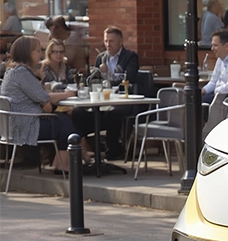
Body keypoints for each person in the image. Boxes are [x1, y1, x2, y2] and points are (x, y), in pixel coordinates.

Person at [1, 36, 79, 173]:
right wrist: (69, 94)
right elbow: (43, 96)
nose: (41, 54)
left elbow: (42, 100)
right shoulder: (21, 72)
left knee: (61, 118)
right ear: (27, 53)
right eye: (37, 51)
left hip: (15, 124)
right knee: (65, 121)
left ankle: (59, 163)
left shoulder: (13, 71)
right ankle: (62, 164)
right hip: (25, 127)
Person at [72, 26, 140, 160]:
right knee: (78, 112)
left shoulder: (130, 57)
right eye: (106, 41)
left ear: (121, 42)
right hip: (102, 99)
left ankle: (113, 148)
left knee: (112, 114)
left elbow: (129, 78)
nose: (108, 44)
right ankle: (91, 148)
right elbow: (94, 80)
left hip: (122, 99)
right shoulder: (100, 58)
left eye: (112, 41)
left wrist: (108, 73)